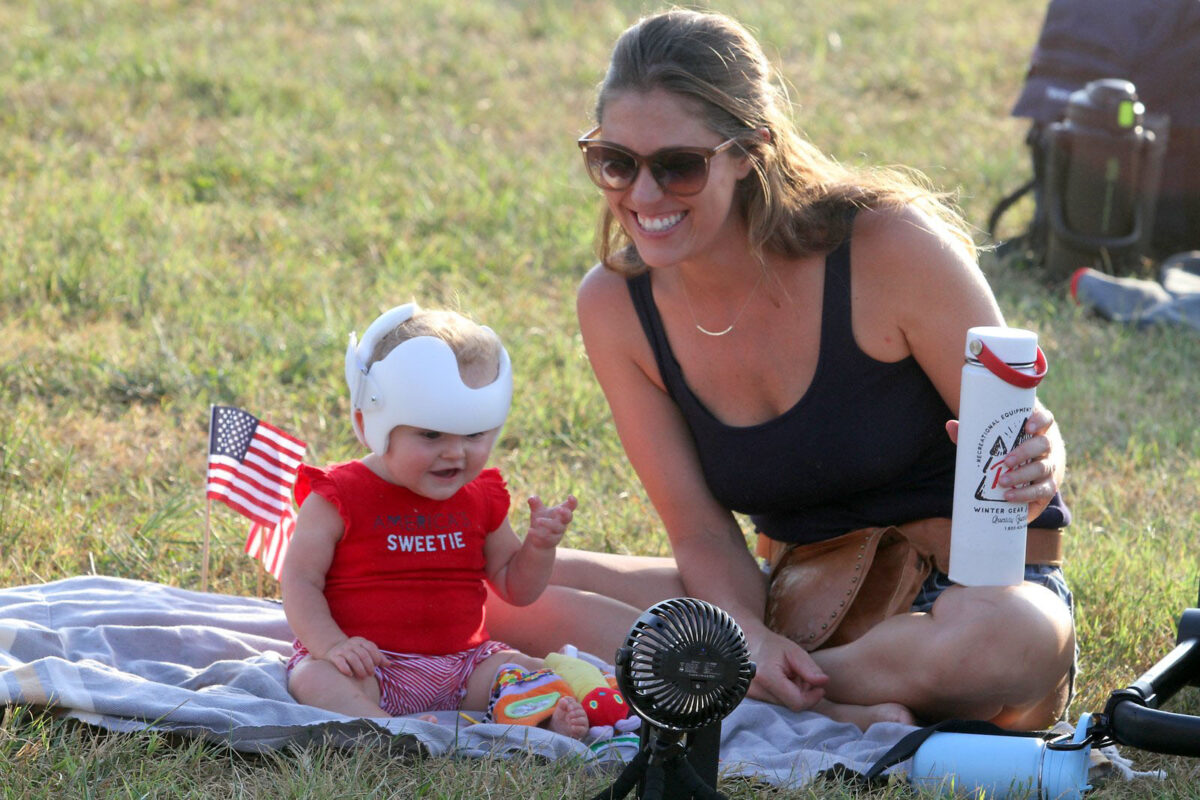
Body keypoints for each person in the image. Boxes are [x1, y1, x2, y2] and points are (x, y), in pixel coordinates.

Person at [484, 8, 1075, 731]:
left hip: (972, 600)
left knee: (1009, 642)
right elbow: (699, 531)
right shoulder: (616, 305)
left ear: (749, 149)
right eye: (615, 161)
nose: (641, 196)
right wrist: (751, 636)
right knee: (497, 590)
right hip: (795, 600)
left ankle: (744, 681)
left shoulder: (889, 247)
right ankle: (794, 685)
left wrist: (1040, 460)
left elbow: (1024, 436)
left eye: (678, 166)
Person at [281, 302, 587, 737]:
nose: (455, 453)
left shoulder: (481, 496)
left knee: (524, 668)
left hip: (464, 666)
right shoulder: (338, 495)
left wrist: (538, 548)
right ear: (372, 422)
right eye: (430, 434)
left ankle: (540, 719)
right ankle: (388, 730)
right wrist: (332, 646)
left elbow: (516, 588)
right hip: (372, 664)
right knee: (313, 677)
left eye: (474, 434)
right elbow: (299, 580)